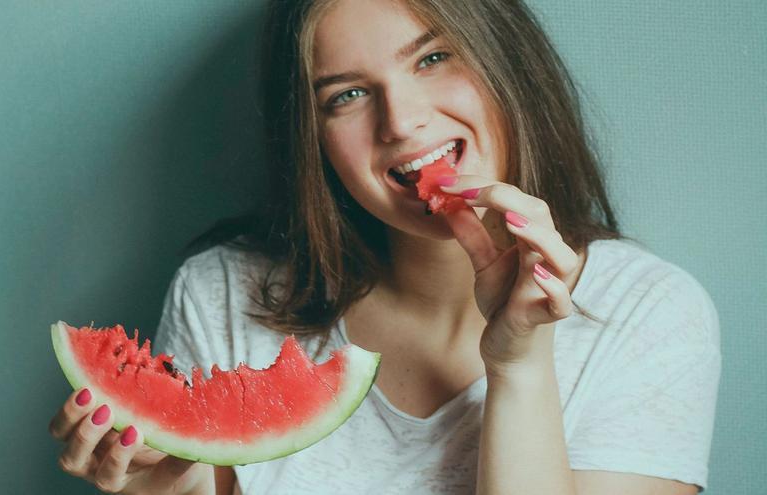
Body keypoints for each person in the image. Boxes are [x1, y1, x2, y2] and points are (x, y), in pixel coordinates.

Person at [48, 0, 721, 493]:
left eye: (433, 57)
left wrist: (518, 366)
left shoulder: (649, 314)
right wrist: (177, 492)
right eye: (347, 96)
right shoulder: (224, 293)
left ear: (507, 62)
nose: (401, 122)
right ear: (311, 135)